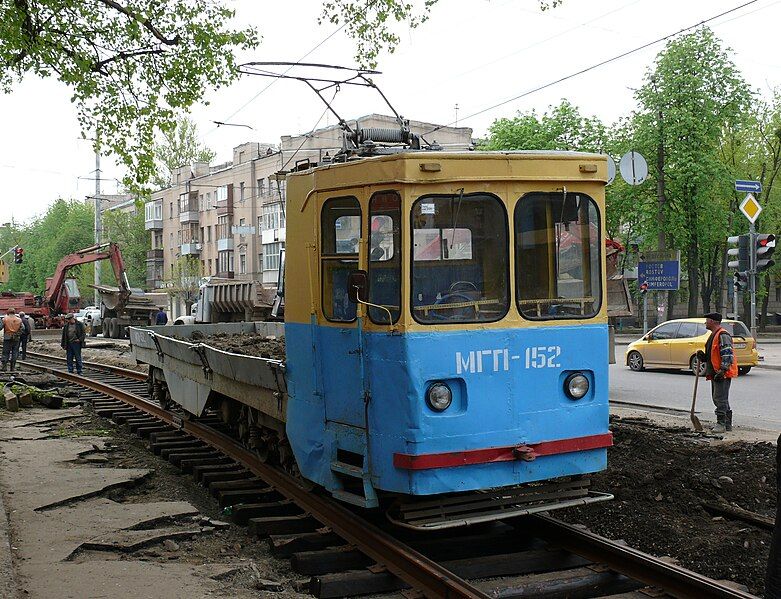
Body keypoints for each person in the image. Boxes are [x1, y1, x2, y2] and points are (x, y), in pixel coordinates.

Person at [701, 312, 738, 433]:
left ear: (713, 321)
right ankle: (727, 424)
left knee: (719, 399)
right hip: (716, 372)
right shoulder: (713, 335)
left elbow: (727, 353)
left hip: (722, 373)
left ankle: (721, 424)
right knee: (720, 398)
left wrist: (723, 370)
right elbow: (713, 354)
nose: (705, 322)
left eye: (707, 320)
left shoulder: (722, 334)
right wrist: (703, 357)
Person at [1, 308, 23, 372]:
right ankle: (12, 368)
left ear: (8, 312)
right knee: (15, 352)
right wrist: (17, 334)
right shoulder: (19, 320)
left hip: (7, 337)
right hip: (16, 338)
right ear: (14, 312)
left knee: (5, 352)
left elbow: (0, 327)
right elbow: (22, 328)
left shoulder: (5, 319)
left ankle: (4, 367)